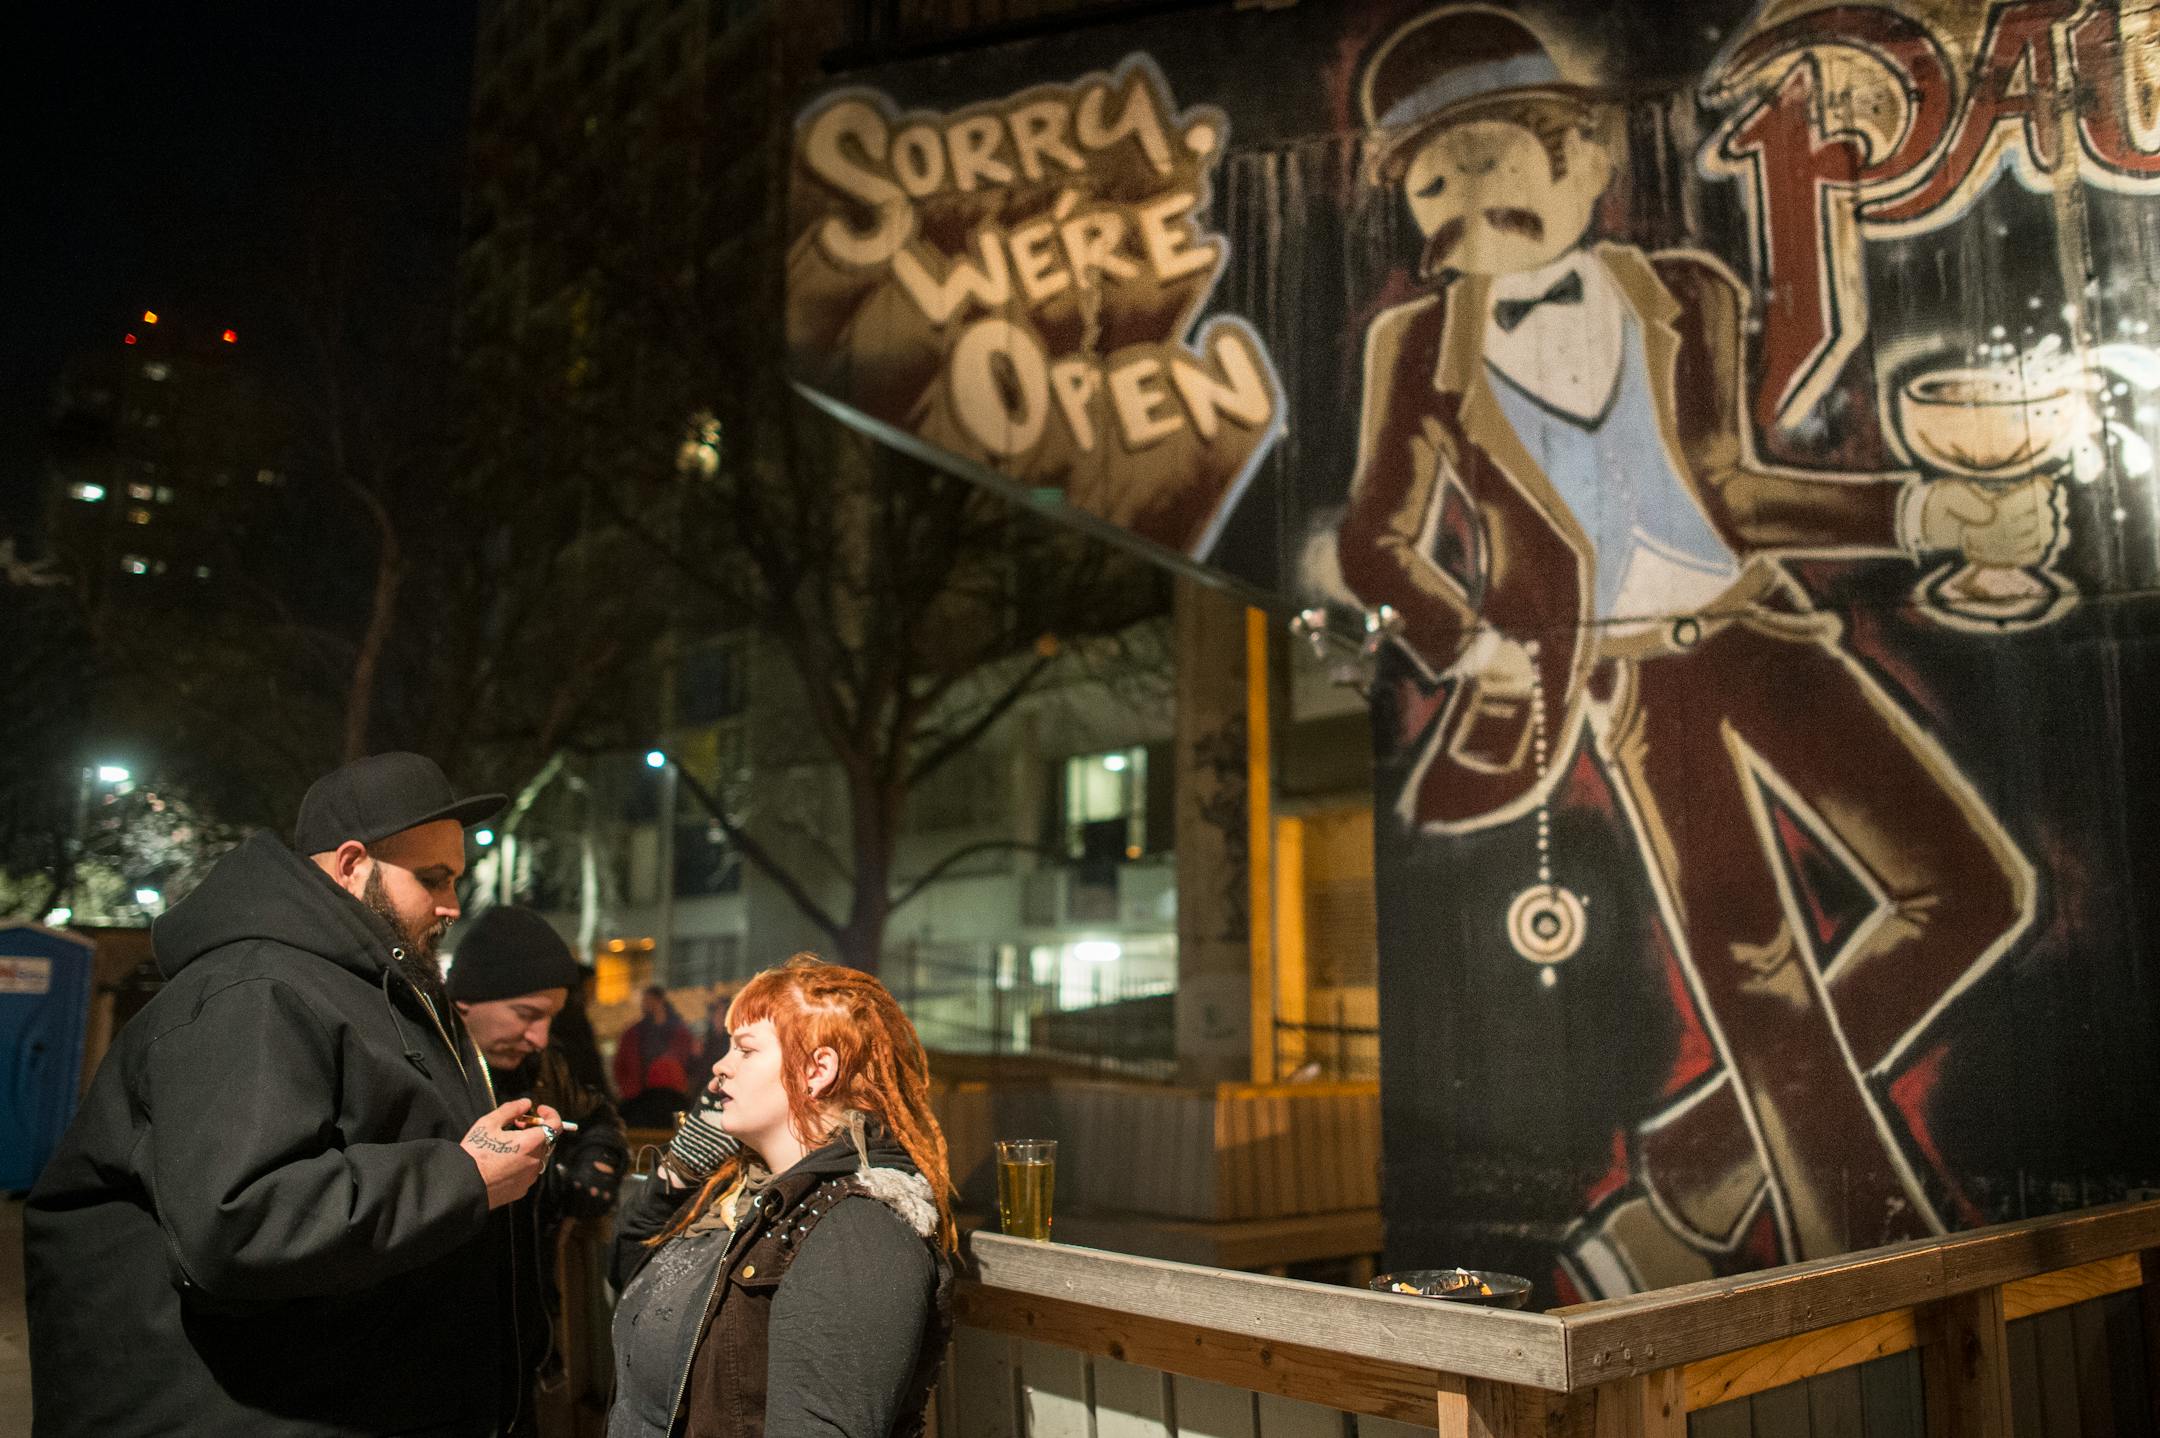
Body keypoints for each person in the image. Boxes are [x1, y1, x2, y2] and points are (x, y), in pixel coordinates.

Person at [1339, 8, 2047, 1293]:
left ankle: (1690, 1184)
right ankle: (1882, 1280)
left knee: (1976, 889)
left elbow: (1730, 487)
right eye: (1428, 184)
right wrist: (1471, 645)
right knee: (1760, 978)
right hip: (1622, 679)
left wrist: (1915, 510)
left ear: (1581, 158)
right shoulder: (1419, 349)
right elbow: (1377, 544)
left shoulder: (1686, 294)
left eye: (1481, 160)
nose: (1451, 204)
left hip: (1761, 632)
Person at [25, 751, 563, 1437]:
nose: (453, 905)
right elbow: (240, 1218)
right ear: (349, 865)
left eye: (455, 880)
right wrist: (463, 1176)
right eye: (432, 879)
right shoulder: (255, 990)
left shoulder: (370, 987)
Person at [607, 955, 956, 1438]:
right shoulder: (742, 1194)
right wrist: (681, 1168)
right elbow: (632, 1267)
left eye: (745, 1050)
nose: (718, 1067)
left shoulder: (858, 1232)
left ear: (817, 1070)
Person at [447, 905, 631, 1435]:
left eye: (551, 1017)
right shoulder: (425, 1073)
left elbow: (596, 1115)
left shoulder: (542, 1068)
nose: (540, 1038)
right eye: (527, 1014)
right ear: (466, 1002)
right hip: (448, 1357)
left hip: (528, 1339)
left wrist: (598, 1162)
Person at [614, 983, 696, 1102]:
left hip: (672, 1094)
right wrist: (628, 1088)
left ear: (660, 1001)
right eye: (645, 1001)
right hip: (640, 1096)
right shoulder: (633, 1034)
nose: (645, 1004)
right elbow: (620, 1064)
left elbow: (689, 1061)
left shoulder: (680, 1032)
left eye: (649, 1000)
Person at [699, 989, 732, 1074]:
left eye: (721, 1013)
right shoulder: (708, 1039)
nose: (716, 1017)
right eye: (714, 1012)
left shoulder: (733, 1041)